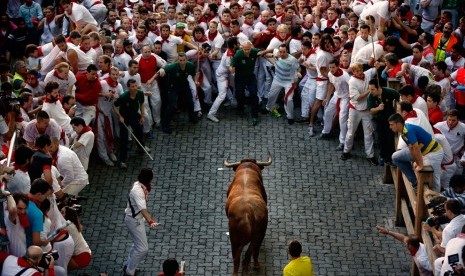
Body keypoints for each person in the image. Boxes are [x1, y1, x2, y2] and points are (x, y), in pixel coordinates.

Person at [389, 113, 444, 191]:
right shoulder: (403, 132)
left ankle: (435, 199)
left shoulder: (408, 130)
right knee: (395, 157)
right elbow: (411, 149)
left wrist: (420, 165)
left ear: (398, 124)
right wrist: (417, 162)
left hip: (433, 153)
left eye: (392, 124)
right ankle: (415, 182)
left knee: (435, 180)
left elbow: (416, 149)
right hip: (423, 151)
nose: (390, 127)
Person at [123, 168, 160, 276]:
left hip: (136, 219)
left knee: (137, 245)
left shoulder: (139, 185)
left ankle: (129, 266)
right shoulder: (138, 191)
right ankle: (129, 272)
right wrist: (150, 221)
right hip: (134, 221)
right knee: (143, 249)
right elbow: (143, 209)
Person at [341, 64, 378, 165]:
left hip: (367, 110)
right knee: (351, 132)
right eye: (357, 71)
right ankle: (346, 151)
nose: (359, 72)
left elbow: (375, 69)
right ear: (353, 72)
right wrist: (369, 91)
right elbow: (358, 97)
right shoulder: (352, 82)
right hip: (355, 110)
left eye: (360, 70)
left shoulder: (367, 74)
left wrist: (378, 65)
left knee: (368, 134)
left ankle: (370, 155)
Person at [113, 79, 150, 169]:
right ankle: (122, 160)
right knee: (124, 139)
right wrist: (119, 116)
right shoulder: (123, 97)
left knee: (139, 131)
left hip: (134, 115)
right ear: (128, 87)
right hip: (125, 118)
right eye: (132, 87)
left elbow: (141, 104)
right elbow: (115, 106)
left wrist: (142, 116)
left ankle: (141, 147)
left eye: (135, 86)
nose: (134, 88)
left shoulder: (140, 94)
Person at [158, 52, 198, 134]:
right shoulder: (173, 66)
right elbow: (163, 69)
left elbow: (193, 75)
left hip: (184, 85)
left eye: (184, 60)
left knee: (190, 101)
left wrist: (195, 81)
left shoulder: (190, 66)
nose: (182, 62)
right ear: (178, 60)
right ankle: (165, 124)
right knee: (171, 105)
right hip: (173, 87)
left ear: (186, 59)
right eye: (180, 60)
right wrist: (162, 71)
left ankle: (192, 117)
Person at [229, 40, 265, 126]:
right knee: (240, 94)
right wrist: (231, 69)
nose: (247, 51)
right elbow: (231, 66)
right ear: (242, 48)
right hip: (240, 77)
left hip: (250, 77)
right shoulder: (238, 54)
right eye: (245, 49)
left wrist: (270, 54)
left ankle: (255, 115)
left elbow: (262, 53)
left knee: (254, 94)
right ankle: (240, 108)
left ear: (251, 48)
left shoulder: (254, 51)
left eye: (248, 49)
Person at [266, 44, 300, 125]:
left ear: (287, 51)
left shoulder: (292, 60)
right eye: (280, 52)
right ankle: (269, 107)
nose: (282, 54)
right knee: (271, 95)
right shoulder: (276, 53)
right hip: (277, 79)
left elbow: (297, 68)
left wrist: (297, 78)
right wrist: (273, 55)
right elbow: (265, 54)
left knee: (289, 99)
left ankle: (290, 117)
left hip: (289, 82)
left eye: (284, 52)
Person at [367, 79, 400, 164]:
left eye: (373, 89)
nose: (371, 91)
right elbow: (371, 110)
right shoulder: (371, 96)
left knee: (390, 138)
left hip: (389, 120)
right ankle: (382, 156)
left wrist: (399, 108)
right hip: (378, 120)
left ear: (379, 88)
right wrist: (378, 108)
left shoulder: (389, 92)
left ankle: (390, 157)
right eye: (370, 89)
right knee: (380, 139)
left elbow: (399, 97)